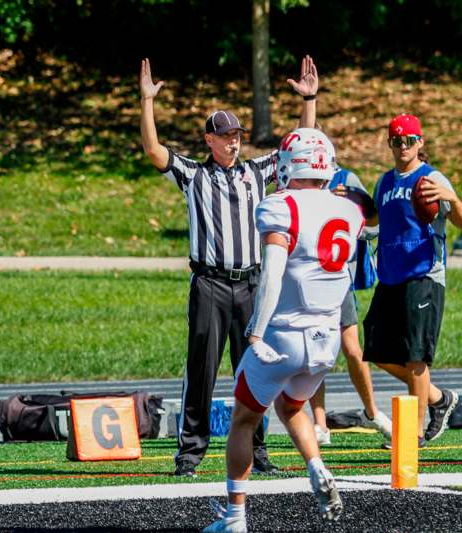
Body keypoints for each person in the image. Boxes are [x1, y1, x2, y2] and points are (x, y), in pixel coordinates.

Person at [139, 55, 319, 477]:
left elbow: (301, 146)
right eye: (225, 136)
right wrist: (147, 101)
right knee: (201, 368)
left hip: (251, 284)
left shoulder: (256, 172)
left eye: (236, 135)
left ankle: (258, 452)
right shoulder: (193, 176)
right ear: (209, 140)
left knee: (255, 368)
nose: (233, 142)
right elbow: (153, 149)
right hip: (210, 283)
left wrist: (309, 101)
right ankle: (190, 453)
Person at [204, 128, 362, 532]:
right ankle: (317, 468)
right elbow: (348, 275)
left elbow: (272, 272)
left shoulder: (281, 205)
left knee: (243, 418)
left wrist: (255, 332)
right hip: (325, 340)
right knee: (291, 406)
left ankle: (235, 516)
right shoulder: (348, 211)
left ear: (290, 164)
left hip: (283, 334)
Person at [363, 114, 461, 447]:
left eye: (408, 140)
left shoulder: (430, 178)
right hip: (390, 276)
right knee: (376, 350)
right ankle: (439, 398)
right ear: (389, 143)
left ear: (420, 142)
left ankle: (414, 434)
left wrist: (452, 197)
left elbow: (460, 221)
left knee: (416, 356)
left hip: (423, 274)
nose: (402, 146)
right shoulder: (384, 182)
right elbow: (378, 221)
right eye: (396, 140)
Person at [308, 166, 392, 446]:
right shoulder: (294, 183)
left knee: (354, 350)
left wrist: (344, 209)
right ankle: (320, 425)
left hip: (339, 278)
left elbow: (373, 227)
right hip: (309, 278)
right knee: (317, 352)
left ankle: (372, 411)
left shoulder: (346, 179)